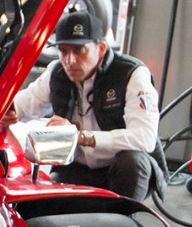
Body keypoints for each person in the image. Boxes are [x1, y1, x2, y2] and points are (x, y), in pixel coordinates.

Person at [10, 11, 162, 200]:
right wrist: (8, 110)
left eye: (78, 50)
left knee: (132, 162)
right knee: (41, 205)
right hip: (77, 168)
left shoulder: (132, 74)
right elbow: (24, 103)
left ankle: (124, 219)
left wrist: (79, 137)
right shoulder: (57, 72)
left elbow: (145, 138)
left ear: (101, 48)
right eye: (63, 51)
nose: (70, 61)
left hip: (122, 170)